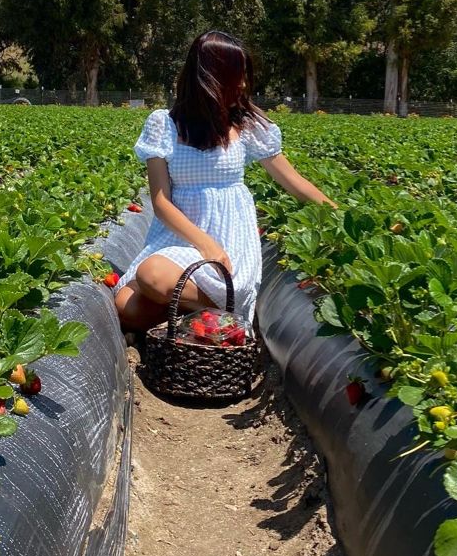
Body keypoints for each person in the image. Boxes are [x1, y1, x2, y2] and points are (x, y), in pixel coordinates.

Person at [115, 30, 336, 331]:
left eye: (244, 74)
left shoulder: (247, 125)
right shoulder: (163, 125)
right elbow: (161, 202)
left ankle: (225, 313)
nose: (243, 84)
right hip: (182, 238)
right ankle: (209, 321)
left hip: (230, 240)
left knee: (152, 275)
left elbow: (293, 181)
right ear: (209, 77)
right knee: (126, 304)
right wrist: (206, 245)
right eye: (236, 75)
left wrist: (339, 216)